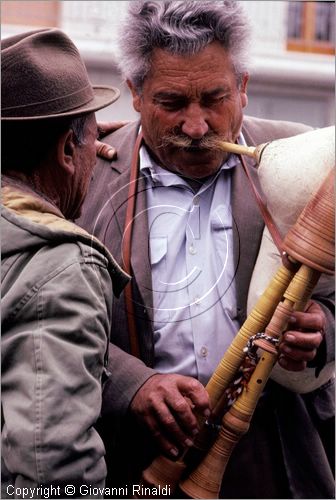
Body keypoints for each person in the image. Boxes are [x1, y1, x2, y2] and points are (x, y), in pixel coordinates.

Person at [78, 1, 335, 498]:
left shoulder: (304, 161)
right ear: (134, 93)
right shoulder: (84, 178)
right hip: (138, 465)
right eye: (172, 102)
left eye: (215, 98)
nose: (197, 127)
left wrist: (323, 331)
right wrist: (133, 385)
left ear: (243, 84)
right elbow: (45, 327)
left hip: (278, 458)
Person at [1, 28, 131, 497]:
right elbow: (55, 470)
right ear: (65, 151)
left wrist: (76, 144)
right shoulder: (62, 268)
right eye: (89, 138)